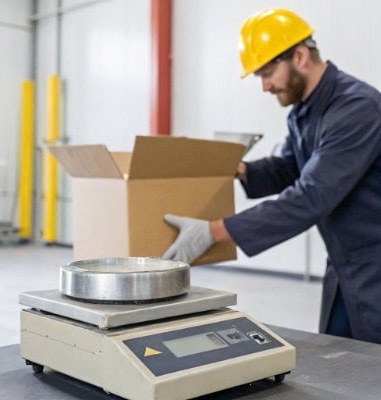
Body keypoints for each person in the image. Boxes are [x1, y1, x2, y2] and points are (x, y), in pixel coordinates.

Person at [163, 8, 381, 344]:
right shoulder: (305, 111)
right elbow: (290, 167)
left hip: (374, 263)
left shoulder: (356, 108)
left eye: (267, 73)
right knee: (341, 359)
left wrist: (216, 231)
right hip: (345, 264)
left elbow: (312, 195)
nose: (265, 86)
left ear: (300, 55)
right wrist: (239, 169)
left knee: (370, 370)